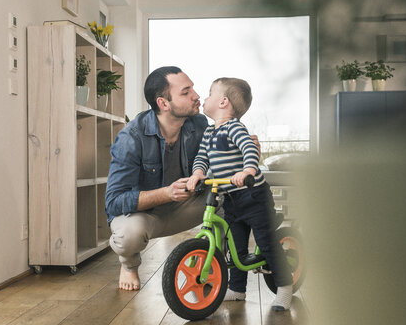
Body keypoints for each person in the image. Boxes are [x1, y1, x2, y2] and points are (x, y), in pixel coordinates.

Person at [186, 77, 293, 311]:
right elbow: (202, 158)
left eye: (210, 93)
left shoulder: (234, 127)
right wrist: (197, 174)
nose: (204, 97)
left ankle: (284, 287)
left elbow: (248, 148)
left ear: (223, 102)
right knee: (235, 245)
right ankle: (237, 289)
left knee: (266, 243)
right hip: (231, 197)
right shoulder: (209, 133)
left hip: (252, 194)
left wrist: (248, 170)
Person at [105, 66, 208, 291]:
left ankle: (209, 260)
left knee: (233, 196)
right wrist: (166, 193)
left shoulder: (199, 125)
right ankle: (129, 264)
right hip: (146, 216)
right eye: (186, 92)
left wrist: (245, 150)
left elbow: (217, 163)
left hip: (185, 206)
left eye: (193, 89)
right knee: (128, 235)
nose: (196, 96)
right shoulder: (131, 137)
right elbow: (113, 202)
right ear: (163, 103)